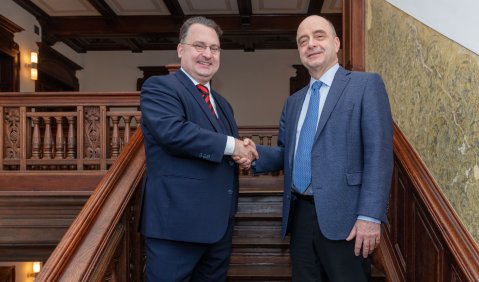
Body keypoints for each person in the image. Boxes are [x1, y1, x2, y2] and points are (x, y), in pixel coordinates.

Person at [249, 15, 393, 281]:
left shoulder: (365, 85)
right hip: (300, 215)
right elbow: (288, 154)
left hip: (348, 219)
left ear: (336, 43)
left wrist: (370, 216)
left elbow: (379, 156)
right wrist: (253, 154)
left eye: (319, 36)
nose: (310, 44)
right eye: (303, 40)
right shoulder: (293, 102)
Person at [139, 16, 257, 282]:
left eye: (214, 48)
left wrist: (242, 156)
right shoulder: (160, 87)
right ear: (181, 50)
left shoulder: (223, 104)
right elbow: (174, 133)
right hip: (175, 229)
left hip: (218, 228)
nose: (207, 54)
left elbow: (224, 150)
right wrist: (233, 145)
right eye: (199, 46)